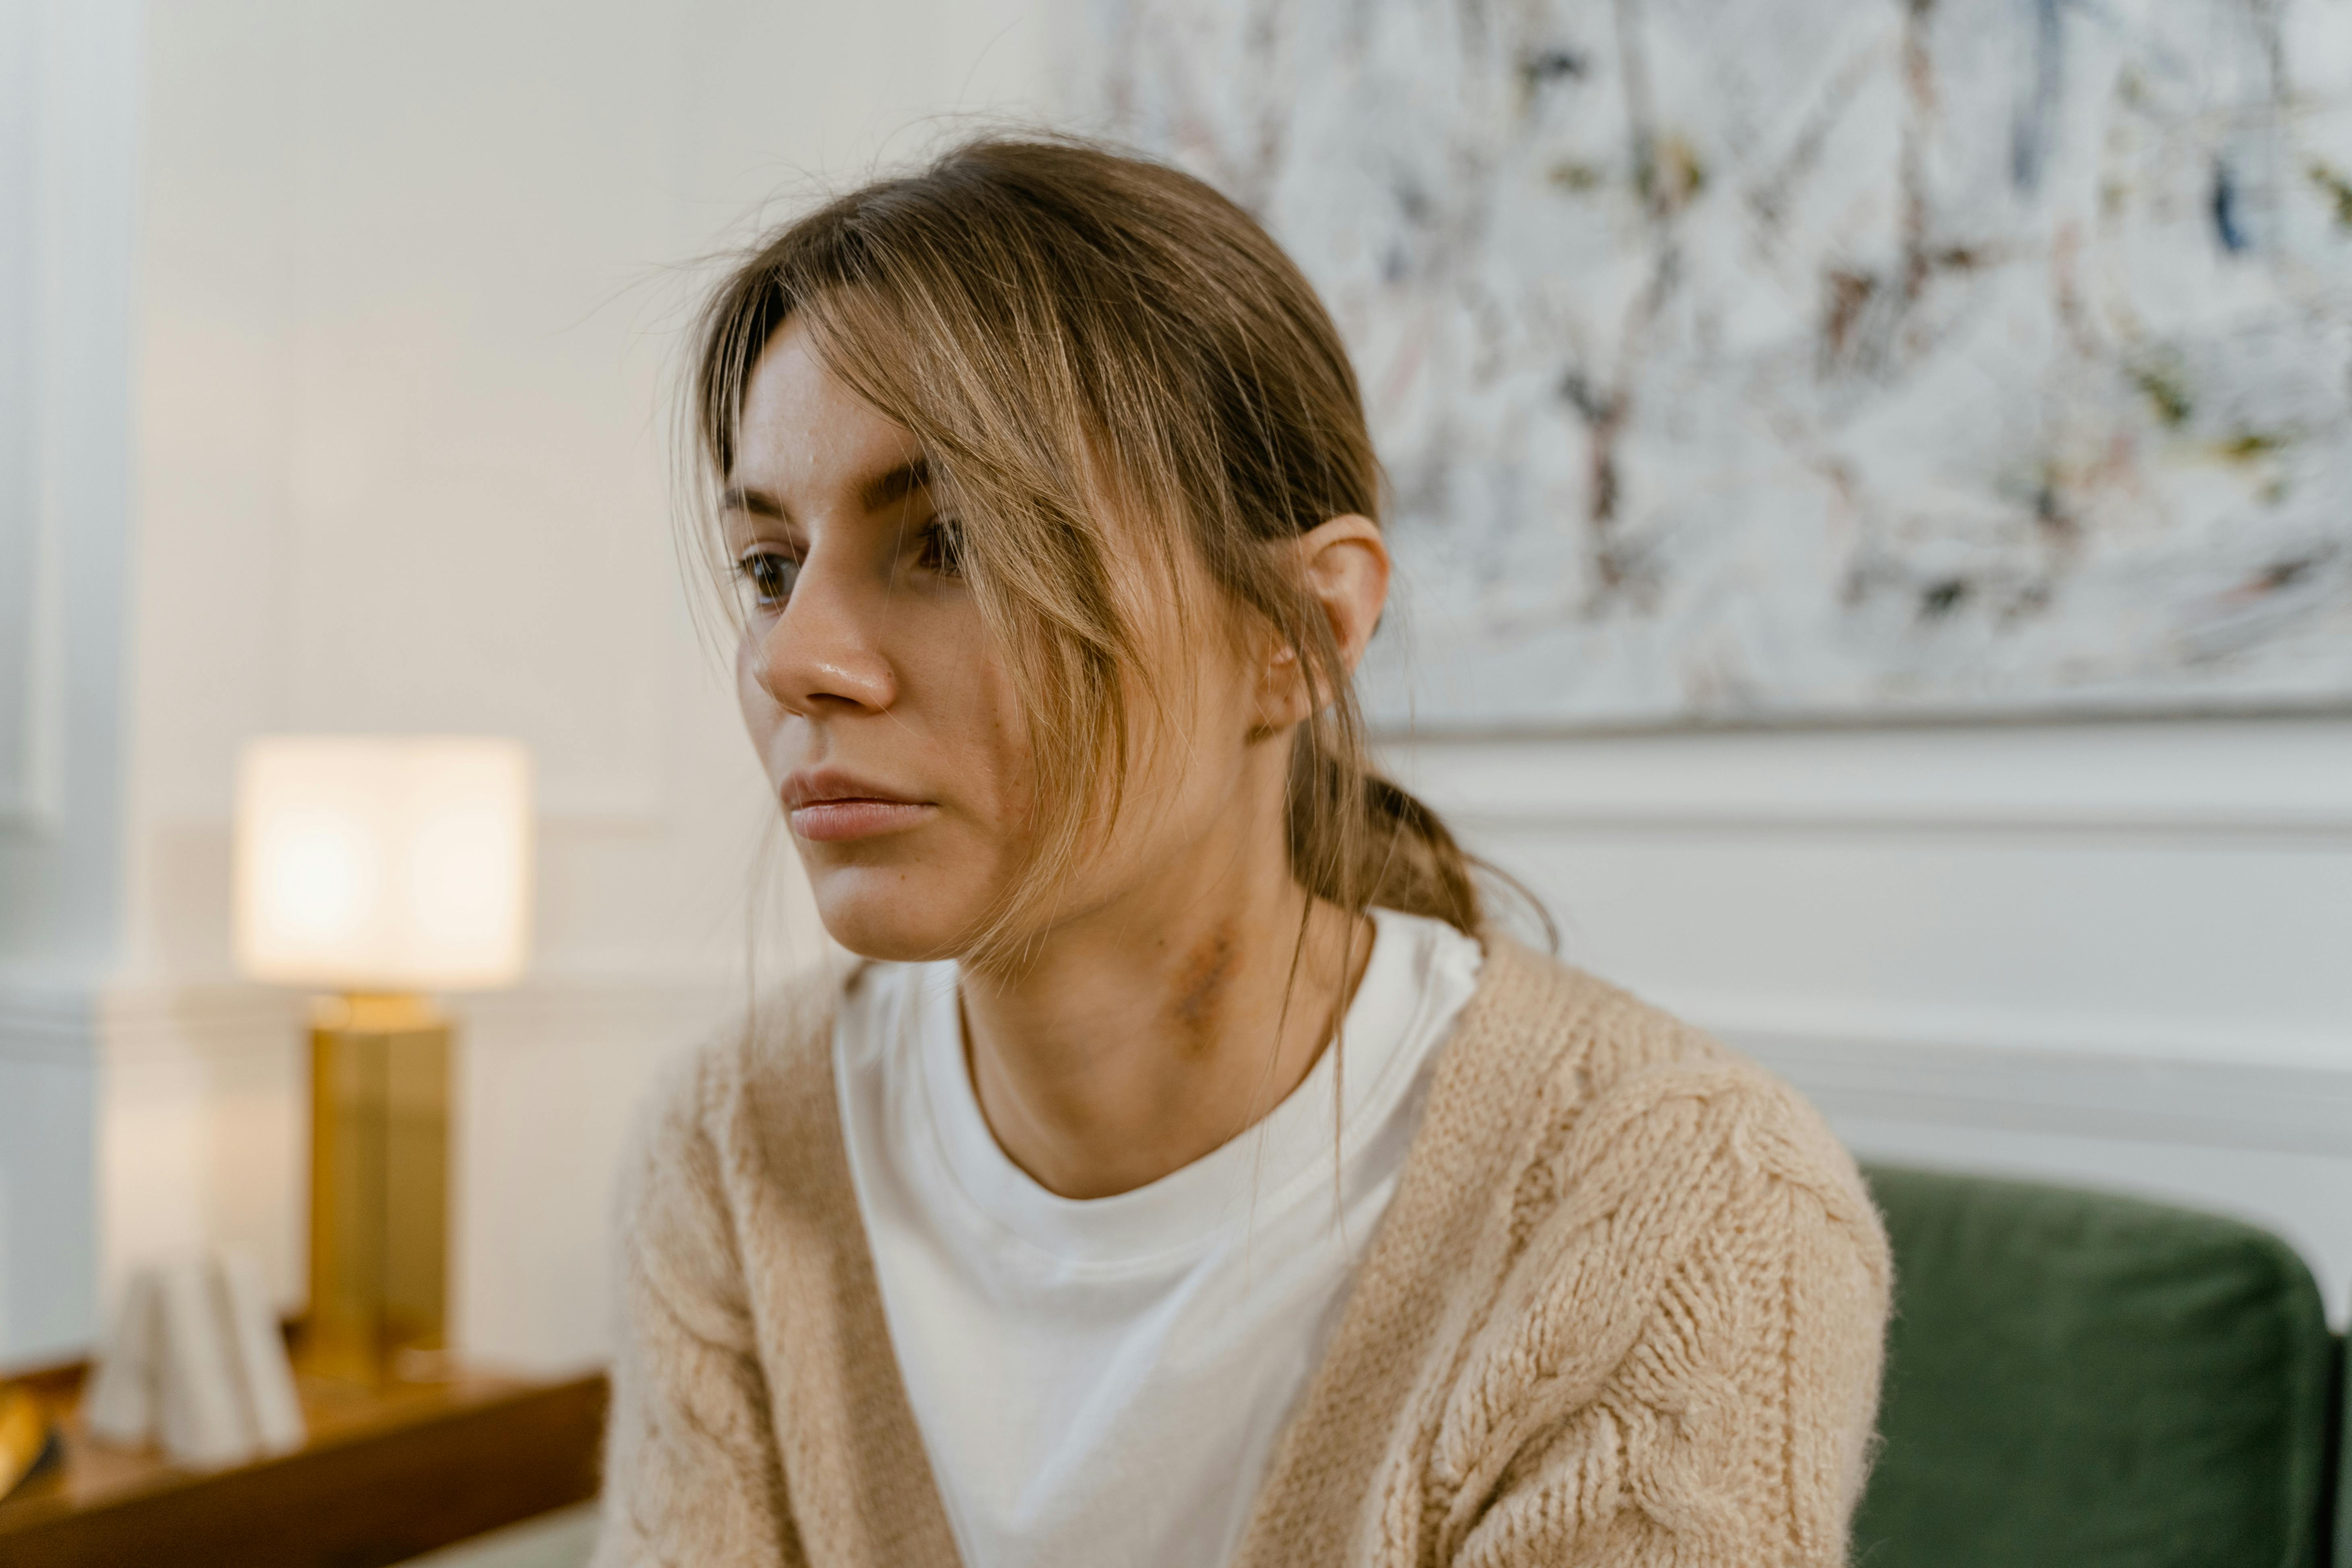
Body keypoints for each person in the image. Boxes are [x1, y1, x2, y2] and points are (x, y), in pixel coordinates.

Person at [593, 136, 1889, 1568]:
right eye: (771, 569)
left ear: (1298, 633)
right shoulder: (737, 1145)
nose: (800, 662)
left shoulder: (1679, 1215)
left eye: (950, 542)